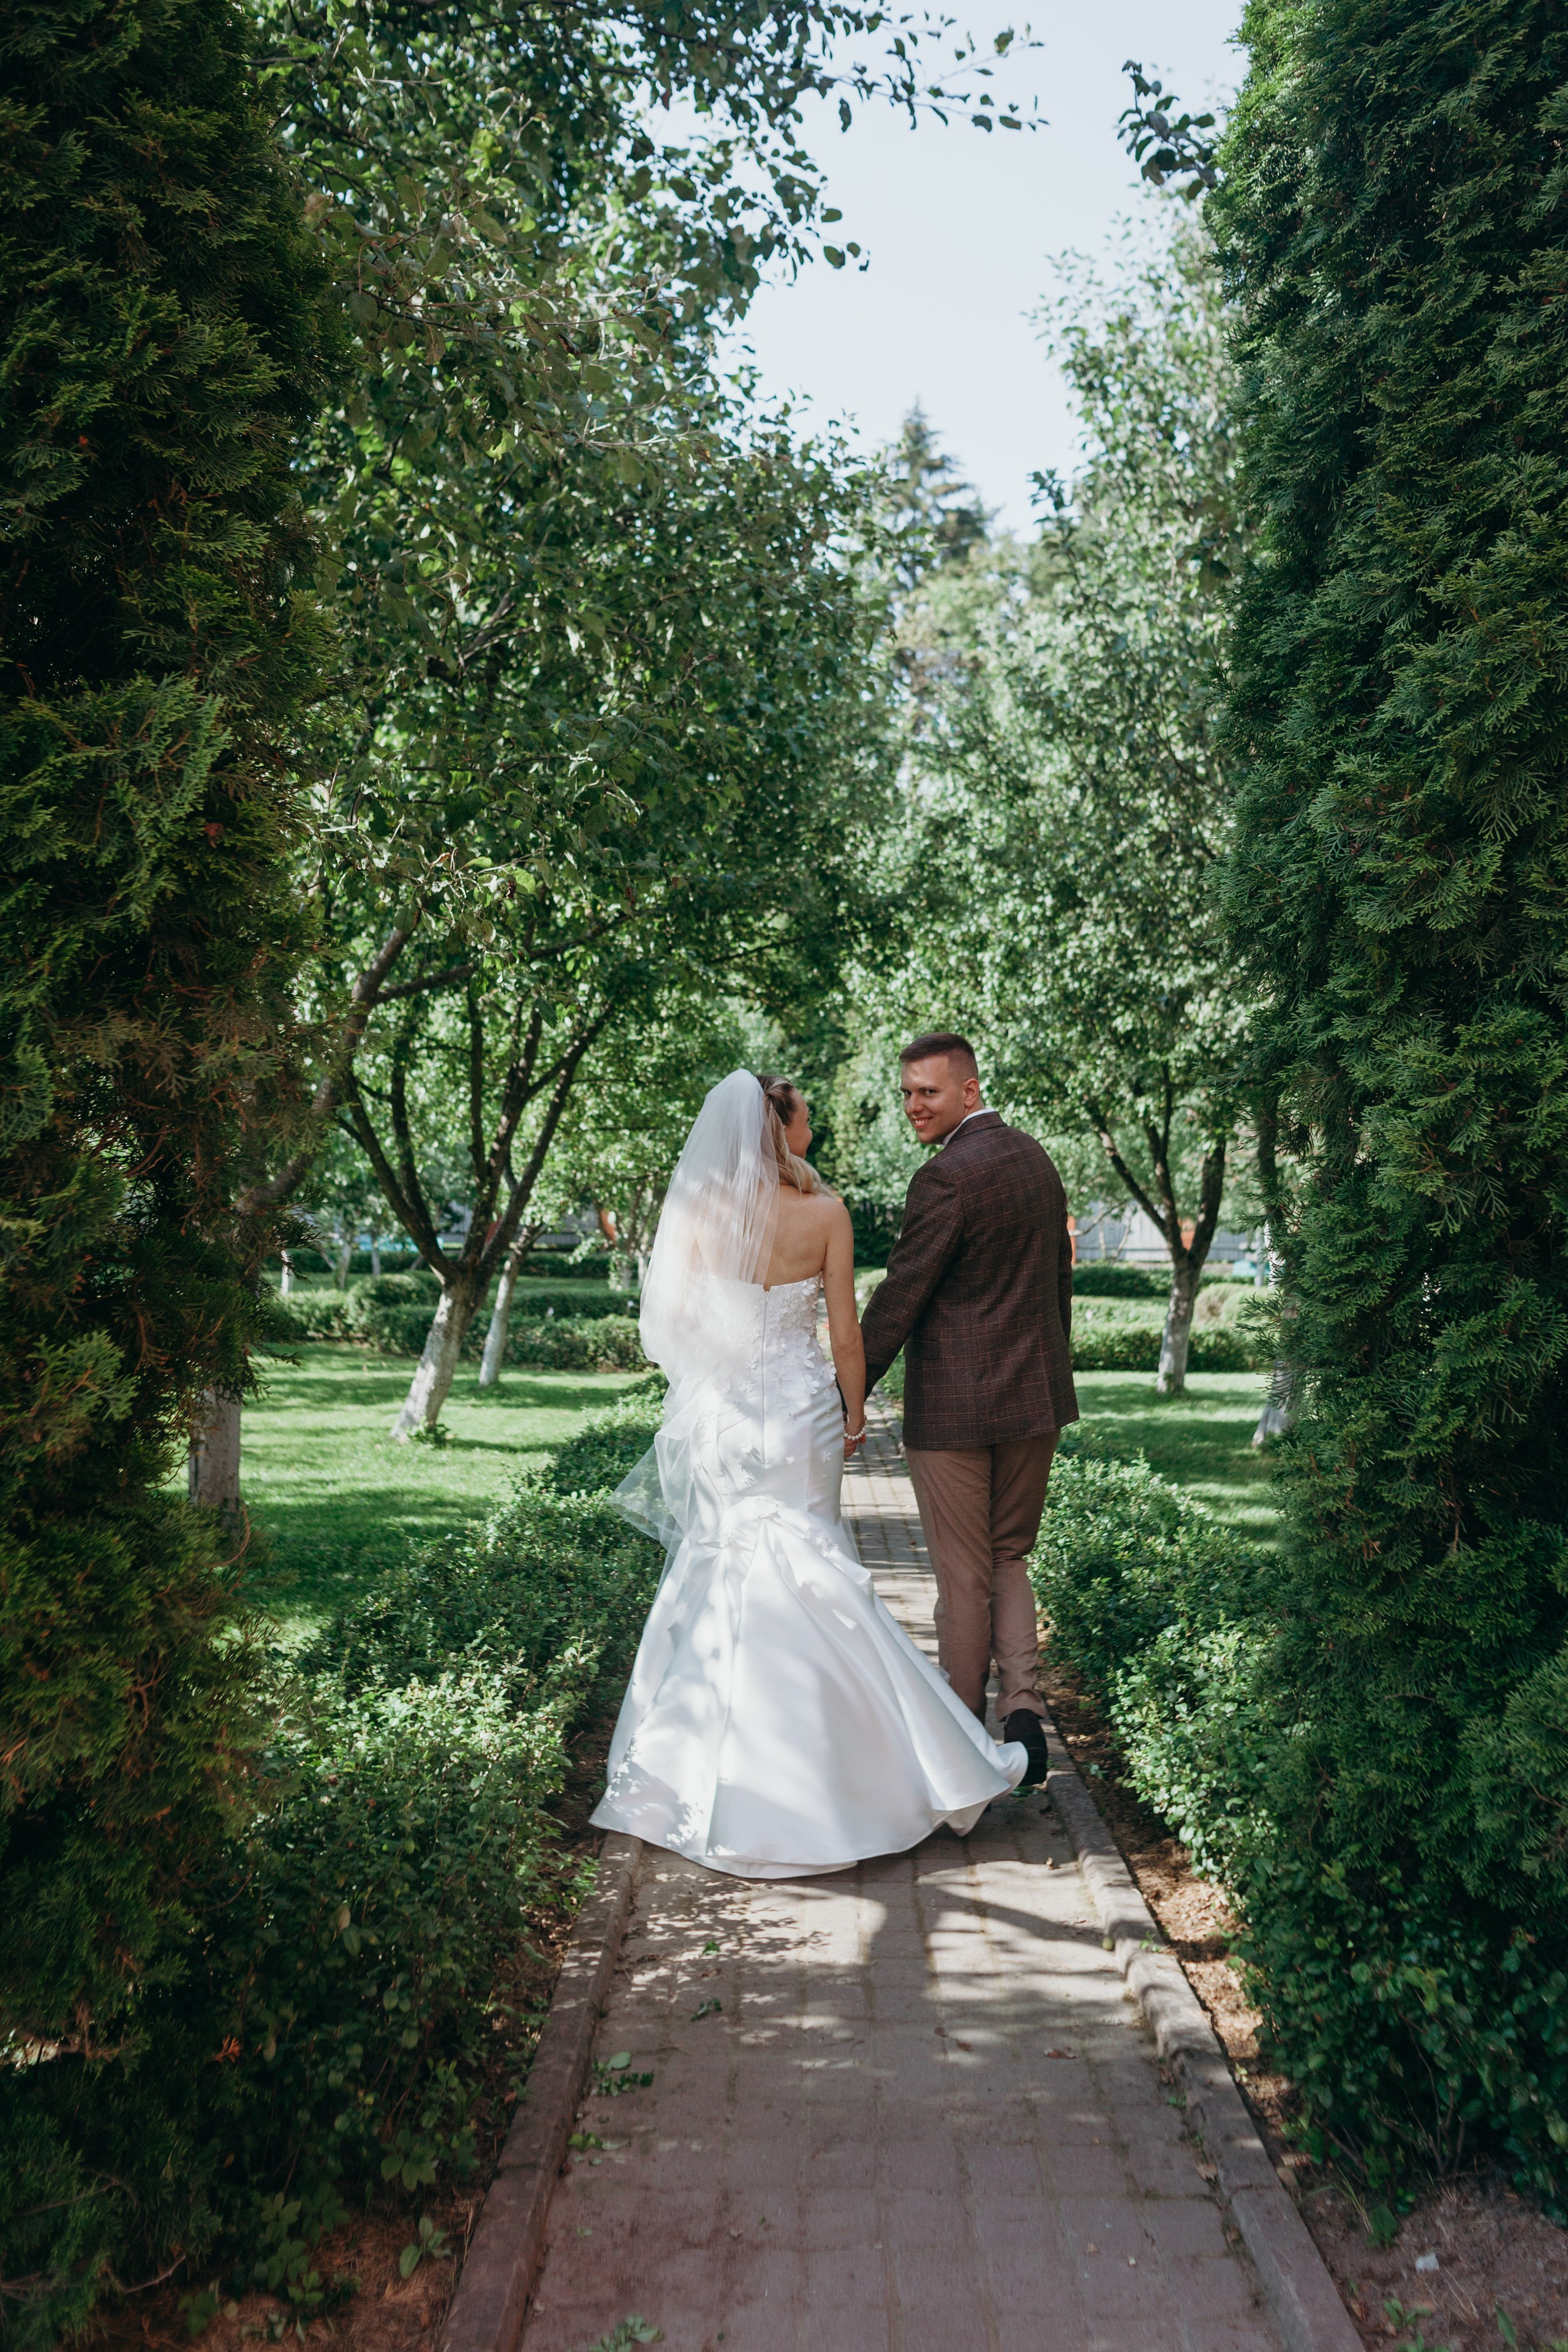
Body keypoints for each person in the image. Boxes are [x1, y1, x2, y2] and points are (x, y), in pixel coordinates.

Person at [591, 1068, 1027, 1878]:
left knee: (722, 1573)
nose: (814, 1130)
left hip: (725, 1419)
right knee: (815, 1568)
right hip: (801, 1416)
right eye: (805, 1118)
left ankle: (698, 1782)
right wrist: (856, 1411)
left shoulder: (698, 1212)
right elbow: (846, 1334)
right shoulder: (825, 1213)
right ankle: (879, 1772)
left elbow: (674, 1323)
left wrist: (717, 1381)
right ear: (776, 1128)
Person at [860, 1033, 1077, 1789]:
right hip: (1034, 1401)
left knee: (963, 1580)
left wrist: (847, 1392)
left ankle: (959, 1750)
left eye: (928, 1092)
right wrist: (1053, 1372)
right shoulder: (1035, 1159)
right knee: (1007, 1557)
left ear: (969, 1091)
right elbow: (1058, 1279)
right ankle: (1023, 1711)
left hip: (955, 1413)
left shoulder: (945, 1178)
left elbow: (900, 1296)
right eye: (906, 1093)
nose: (913, 1106)